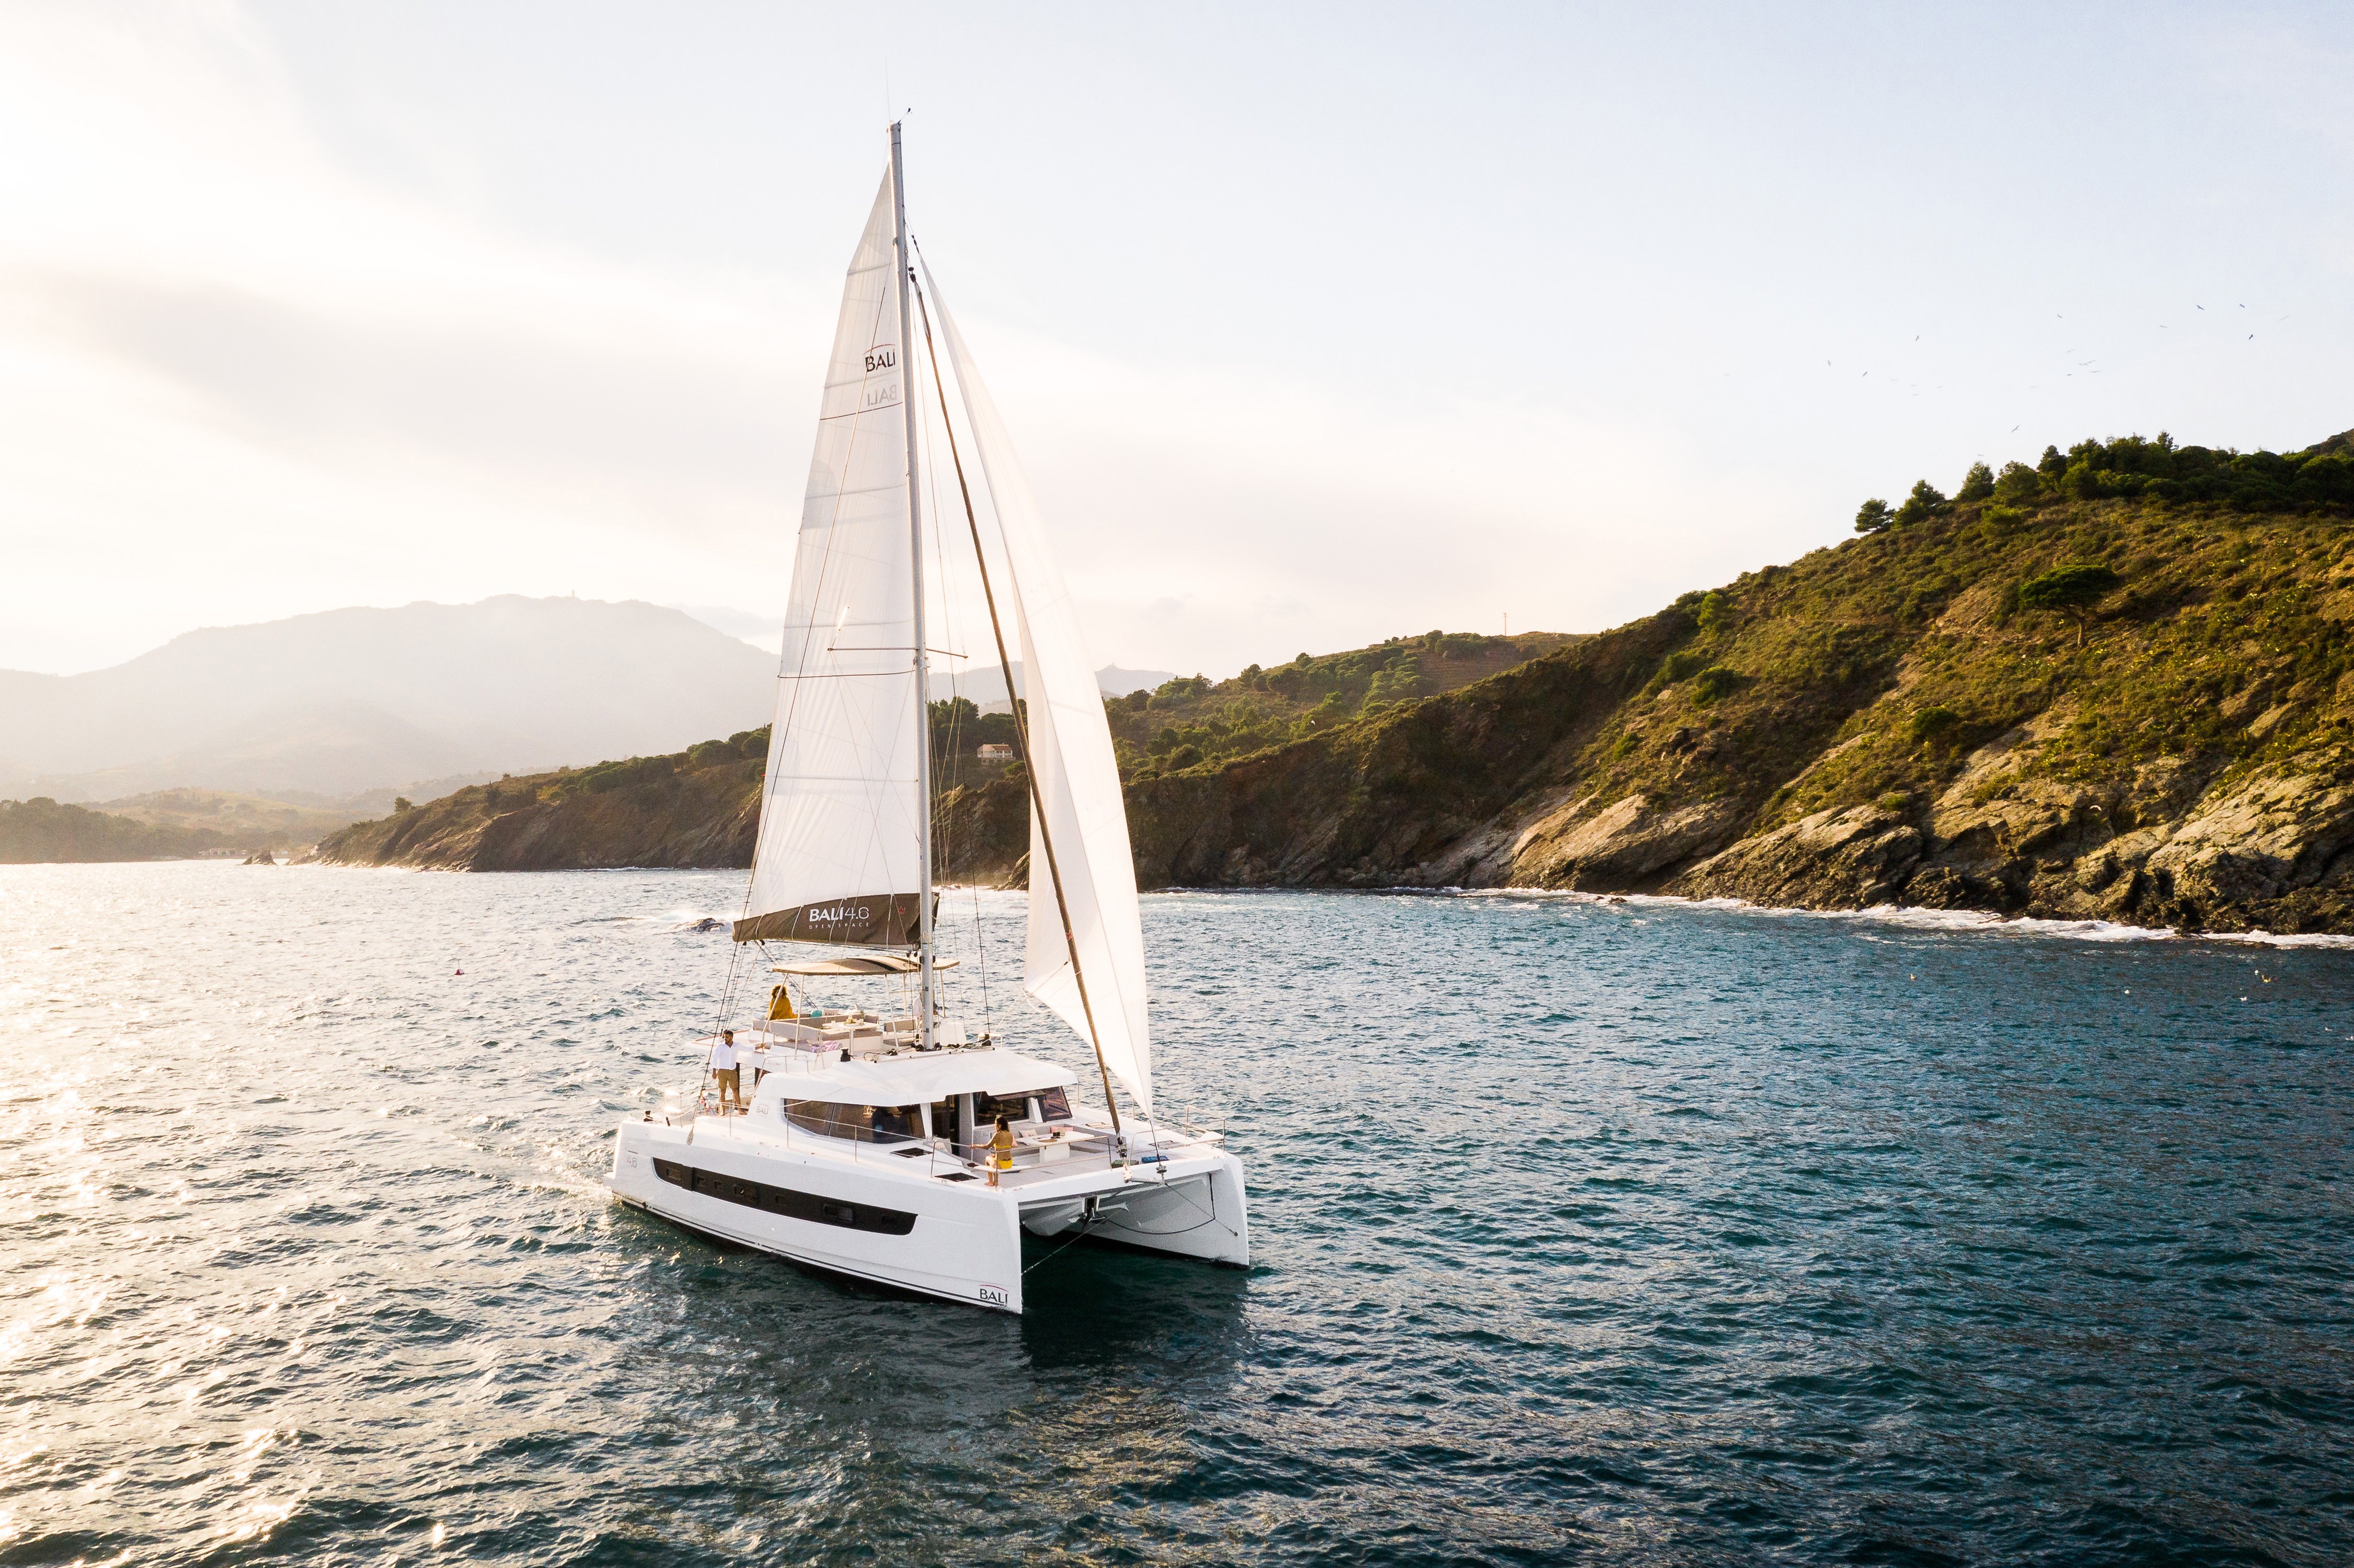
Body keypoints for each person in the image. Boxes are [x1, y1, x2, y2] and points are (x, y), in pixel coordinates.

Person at [710, 1030, 741, 1111]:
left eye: (727, 1037)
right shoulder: (720, 1047)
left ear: (731, 1037)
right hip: (722, 1072)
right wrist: (714, 1072)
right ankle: (723, 1111)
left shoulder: (737, 1046)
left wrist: (759, 1047)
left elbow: (747, 1049)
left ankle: (740, 1110)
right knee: (723, 1091)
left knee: (735, 1091)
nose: (725, 1039)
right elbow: (714, 1059)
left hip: (732, 1072)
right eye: (725, 1037)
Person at [987, 1113, 1016, 1187]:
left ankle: (991, 1182)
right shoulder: (1010, 1134)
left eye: (995, 1124)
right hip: (1009, 1163)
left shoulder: (997, 1135)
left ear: (999, 1126)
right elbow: (1005, 1148)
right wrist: (995, 1155)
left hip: (1000, 1165)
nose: (994, 1125)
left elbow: (986, 1147)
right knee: (993, 1157)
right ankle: (996, 1182)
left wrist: (975, 1146)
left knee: (987, 1158)